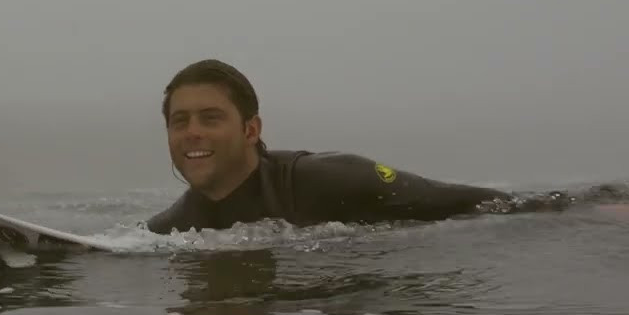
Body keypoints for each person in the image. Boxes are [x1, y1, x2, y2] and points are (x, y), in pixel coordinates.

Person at [145, 59, 562, 235]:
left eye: (210, 118)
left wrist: (564, 210)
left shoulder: (331, 179)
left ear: (251, 130)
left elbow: (474, 204)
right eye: (179, 121)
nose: (192, 132)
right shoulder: (167, 230)